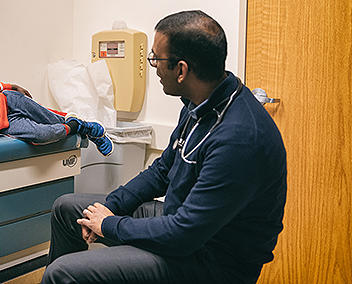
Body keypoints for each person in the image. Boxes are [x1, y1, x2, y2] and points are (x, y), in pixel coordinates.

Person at [42, 10, 287, 284]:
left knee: (62, 273)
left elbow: (183, 234)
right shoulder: (200, 102)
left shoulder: (239, 138)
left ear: (181, 69)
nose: (154, 66)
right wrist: (110, 206)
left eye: (156, 59)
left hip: (211, 261)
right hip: (183, 222)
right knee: (68, 210)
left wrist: (109, 224)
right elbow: (162, 171)